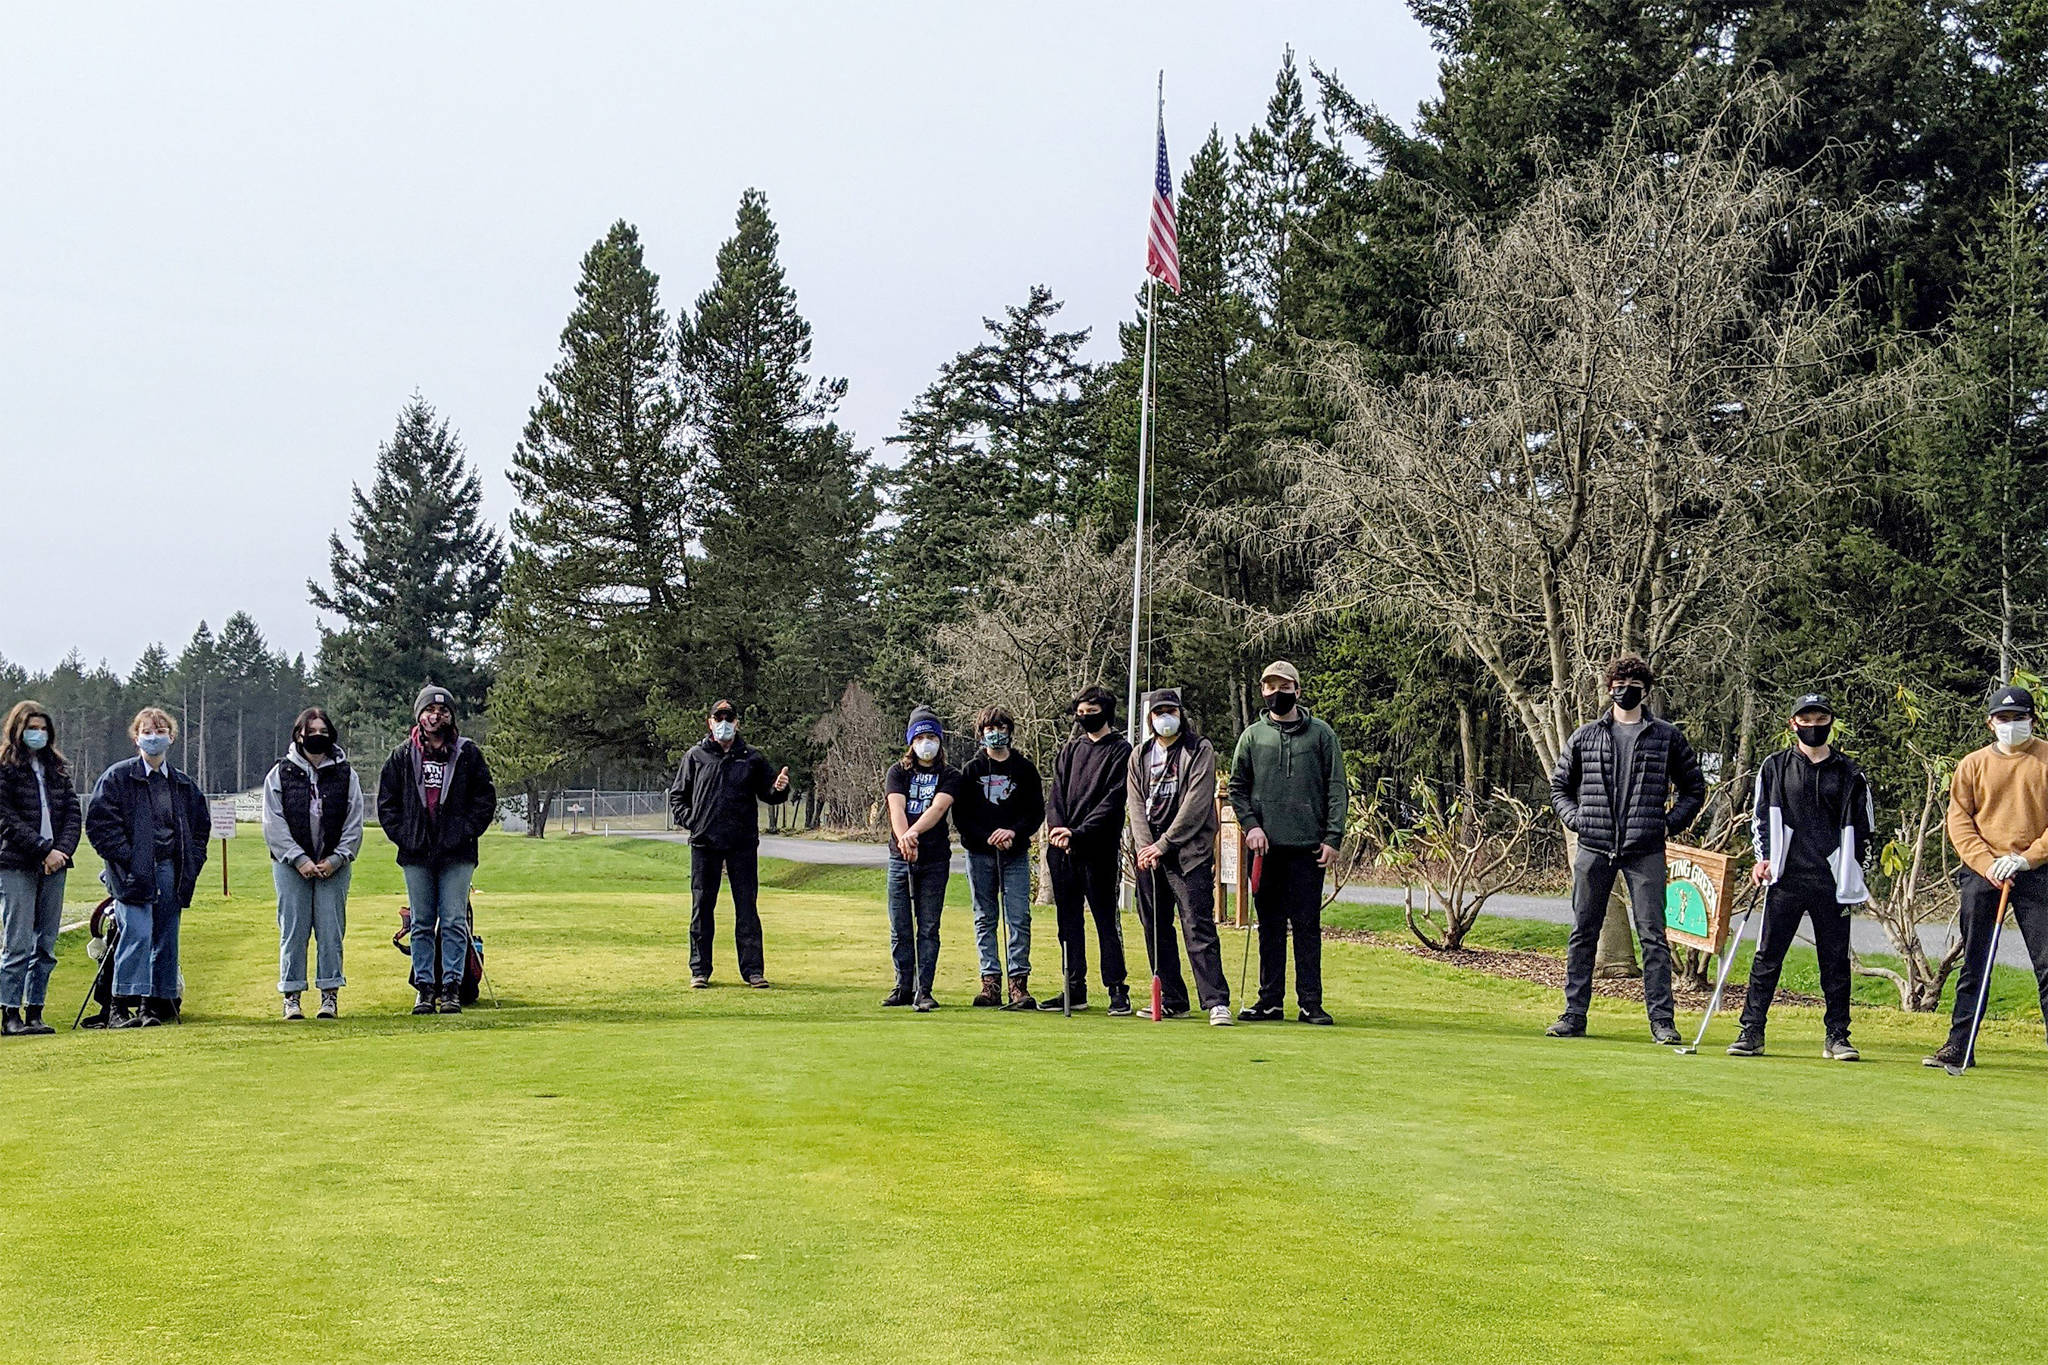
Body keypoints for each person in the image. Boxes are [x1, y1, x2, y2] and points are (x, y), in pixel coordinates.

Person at [1546, 654, 1706, 1043]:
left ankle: (1662, 1022)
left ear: (1645, 690)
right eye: (1618, 684)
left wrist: (1666, 824)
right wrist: (1578, 820)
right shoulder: (1585, 736)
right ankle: (1574, 1015)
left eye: (1632, 685)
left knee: (1653, 936)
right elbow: (1560, 788)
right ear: (1608, 688)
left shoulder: (1666, 737)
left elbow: (1694, 788)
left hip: (1645, 850)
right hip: (1593, 847)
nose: (1624, 690)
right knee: (1584, 932)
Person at [1729, 694, 1874, 1060]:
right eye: (1805, 719)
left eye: (1820, 718)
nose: (1813, 725)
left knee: (1835, 962)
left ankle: (1837, 1036)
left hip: (1832, 881)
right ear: (1793, 723)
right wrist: (1763, 860)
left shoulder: (1850, 772)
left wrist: (1856, 871)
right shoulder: (1774, 766)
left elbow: (1866, 827)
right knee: (1767, 957)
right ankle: (1752, 1032)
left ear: (1830, 722)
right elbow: (1761, 818)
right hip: (1785, 877)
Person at [1925, 683, 2048, 1070]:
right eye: (2004, 718)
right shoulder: (1973, 764)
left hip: (2038, 871)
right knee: (1975, 961)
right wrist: (1985, 862)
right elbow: (1959, 821)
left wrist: (2027, 859)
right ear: (1990, 723)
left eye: (2020, 718)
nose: (2012, 725)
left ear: (2033, 719)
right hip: (1985, 872)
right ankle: (1959, 1045)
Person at [1229, 661, 1348, 1025]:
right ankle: (1270, 1001)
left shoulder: (1322, 735)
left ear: (1297, 689)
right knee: (1269, 927)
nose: (1275, 693)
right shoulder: (1252, 736)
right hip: (1265, 849)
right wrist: (1250, 827)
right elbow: (1237, 788)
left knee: (1308, 928)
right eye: (1269, 687)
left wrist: (1333, 837)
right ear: (1262, 692)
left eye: (1283, 686)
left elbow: (1336, 787)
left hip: (1309, 850)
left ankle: (1310, 1002)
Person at [84, 707, 210, 1027]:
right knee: (137, 934)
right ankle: (119, 1006)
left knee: (166, 938)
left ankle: (155, 1004)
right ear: (136, 737)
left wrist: (191, 865)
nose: (153, 736)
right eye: (147, 730)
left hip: (171, 870)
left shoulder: (182, 784)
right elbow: (100, 826)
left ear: (171, 736)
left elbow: (199, 830)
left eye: (160, 730)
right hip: (131, 871)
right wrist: (127, 858)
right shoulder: (118, 778)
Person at [377, 684, 498, 1016]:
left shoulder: (468, 754)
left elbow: (484, 802)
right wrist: (406, 836)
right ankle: (425, 988)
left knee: (455, 921)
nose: (436, 716)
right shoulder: (402, 756)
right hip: (416, 854)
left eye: (443, 711)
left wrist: (462, 832)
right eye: (430, 710)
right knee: (421, 922)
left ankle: (452, 988)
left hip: (457, 854)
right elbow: (387, 805)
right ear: (419, 715)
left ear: (451, 716)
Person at [668, 699, 793, 989]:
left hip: (742, 844)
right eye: (718, 717)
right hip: (704, 843)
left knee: (746, 907)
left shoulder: (752, 758)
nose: (724, 723)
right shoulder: (695, 756)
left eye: (729, 718)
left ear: (737, 722)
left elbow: (769, 793)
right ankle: (699, 970)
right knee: (702, 906)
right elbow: (678, 797)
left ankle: (753, 971)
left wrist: (779, 789)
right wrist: (693, 821)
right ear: (709, 722)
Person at [1127, 689, 1232, 1026]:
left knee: (1197, 925)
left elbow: (1197, 803)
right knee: (1155, 927)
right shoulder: (1139, 755)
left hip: (1188, 852)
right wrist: (1147, 847)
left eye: (1171, 710)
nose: (1165, 718)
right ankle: (1172, 998)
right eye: (1159, 712)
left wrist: (1165, 844)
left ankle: (1216, 1000)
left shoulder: (1198, 749)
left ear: (1181, 714)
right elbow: (1135, 806)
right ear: (1150, 718)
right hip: (1149, 854)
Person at [261, 707, 364, 1021]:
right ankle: (291, 996)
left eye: (323, 731)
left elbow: (354, 822)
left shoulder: (346, 774)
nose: (317, 737)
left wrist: (337, 859)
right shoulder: (280, 774)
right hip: (291, 865)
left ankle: (329, 995)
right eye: (312, 731)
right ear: (299, 735)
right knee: (293, 931)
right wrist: (299, 859)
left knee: (331, 931)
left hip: (334, 865)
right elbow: (273, 824)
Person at [1039, 686, 1134, 1015]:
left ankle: (1117, 988)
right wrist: (1058, 830)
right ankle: (1073, 987)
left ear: (1105, 711)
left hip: (1099, 850)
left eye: (1091, 711)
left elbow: (1113, 801)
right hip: (1063, 849)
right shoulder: (1069, 750)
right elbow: (1056, 796)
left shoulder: (1121, 751)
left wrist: (1078, 833)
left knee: (1106, 921)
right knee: (1068, 922)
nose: (1084, 717)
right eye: (1079, 712)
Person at [0, 702, 82, 1036]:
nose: (38, 734)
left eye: (43, 728)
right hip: (17, 865)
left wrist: (61, 851)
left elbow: (73, 814)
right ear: (18, 730)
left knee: (46, 943)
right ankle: (9, 1012)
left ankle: (35, 1010)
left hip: (56, 865)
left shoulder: (57, 769)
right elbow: (6, 818)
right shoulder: (5, 769)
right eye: (32, 728)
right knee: (17, 942)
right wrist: (43, 849)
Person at [954, 705, 1044, 1010]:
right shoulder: (971, 770)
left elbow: (1035, 813)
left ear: (1010, 731)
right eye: (990, 729)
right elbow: (962, 818)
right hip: (980, 855)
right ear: (981, 734)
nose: (995, 734)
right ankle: (990, 981)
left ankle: (1019, 983)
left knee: (1018, 916)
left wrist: (1012, 833)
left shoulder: (1025, 769)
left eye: (1001, 728)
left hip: (1015, 854)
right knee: (984, 917)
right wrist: (987, 837)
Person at [884, 707, 960, 1012]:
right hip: (900, 858)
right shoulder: (898, 772)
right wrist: (904, 839)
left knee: (928, 927)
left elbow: (938, 809)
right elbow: (896, 809)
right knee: (899, 926)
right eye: (920, 737)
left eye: (931, 737)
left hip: (934, 858)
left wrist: (912, 835)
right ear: (911, 741)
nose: (926, 742)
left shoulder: (950, 775)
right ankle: (903, 985)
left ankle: (924, 989)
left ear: (939, 741)